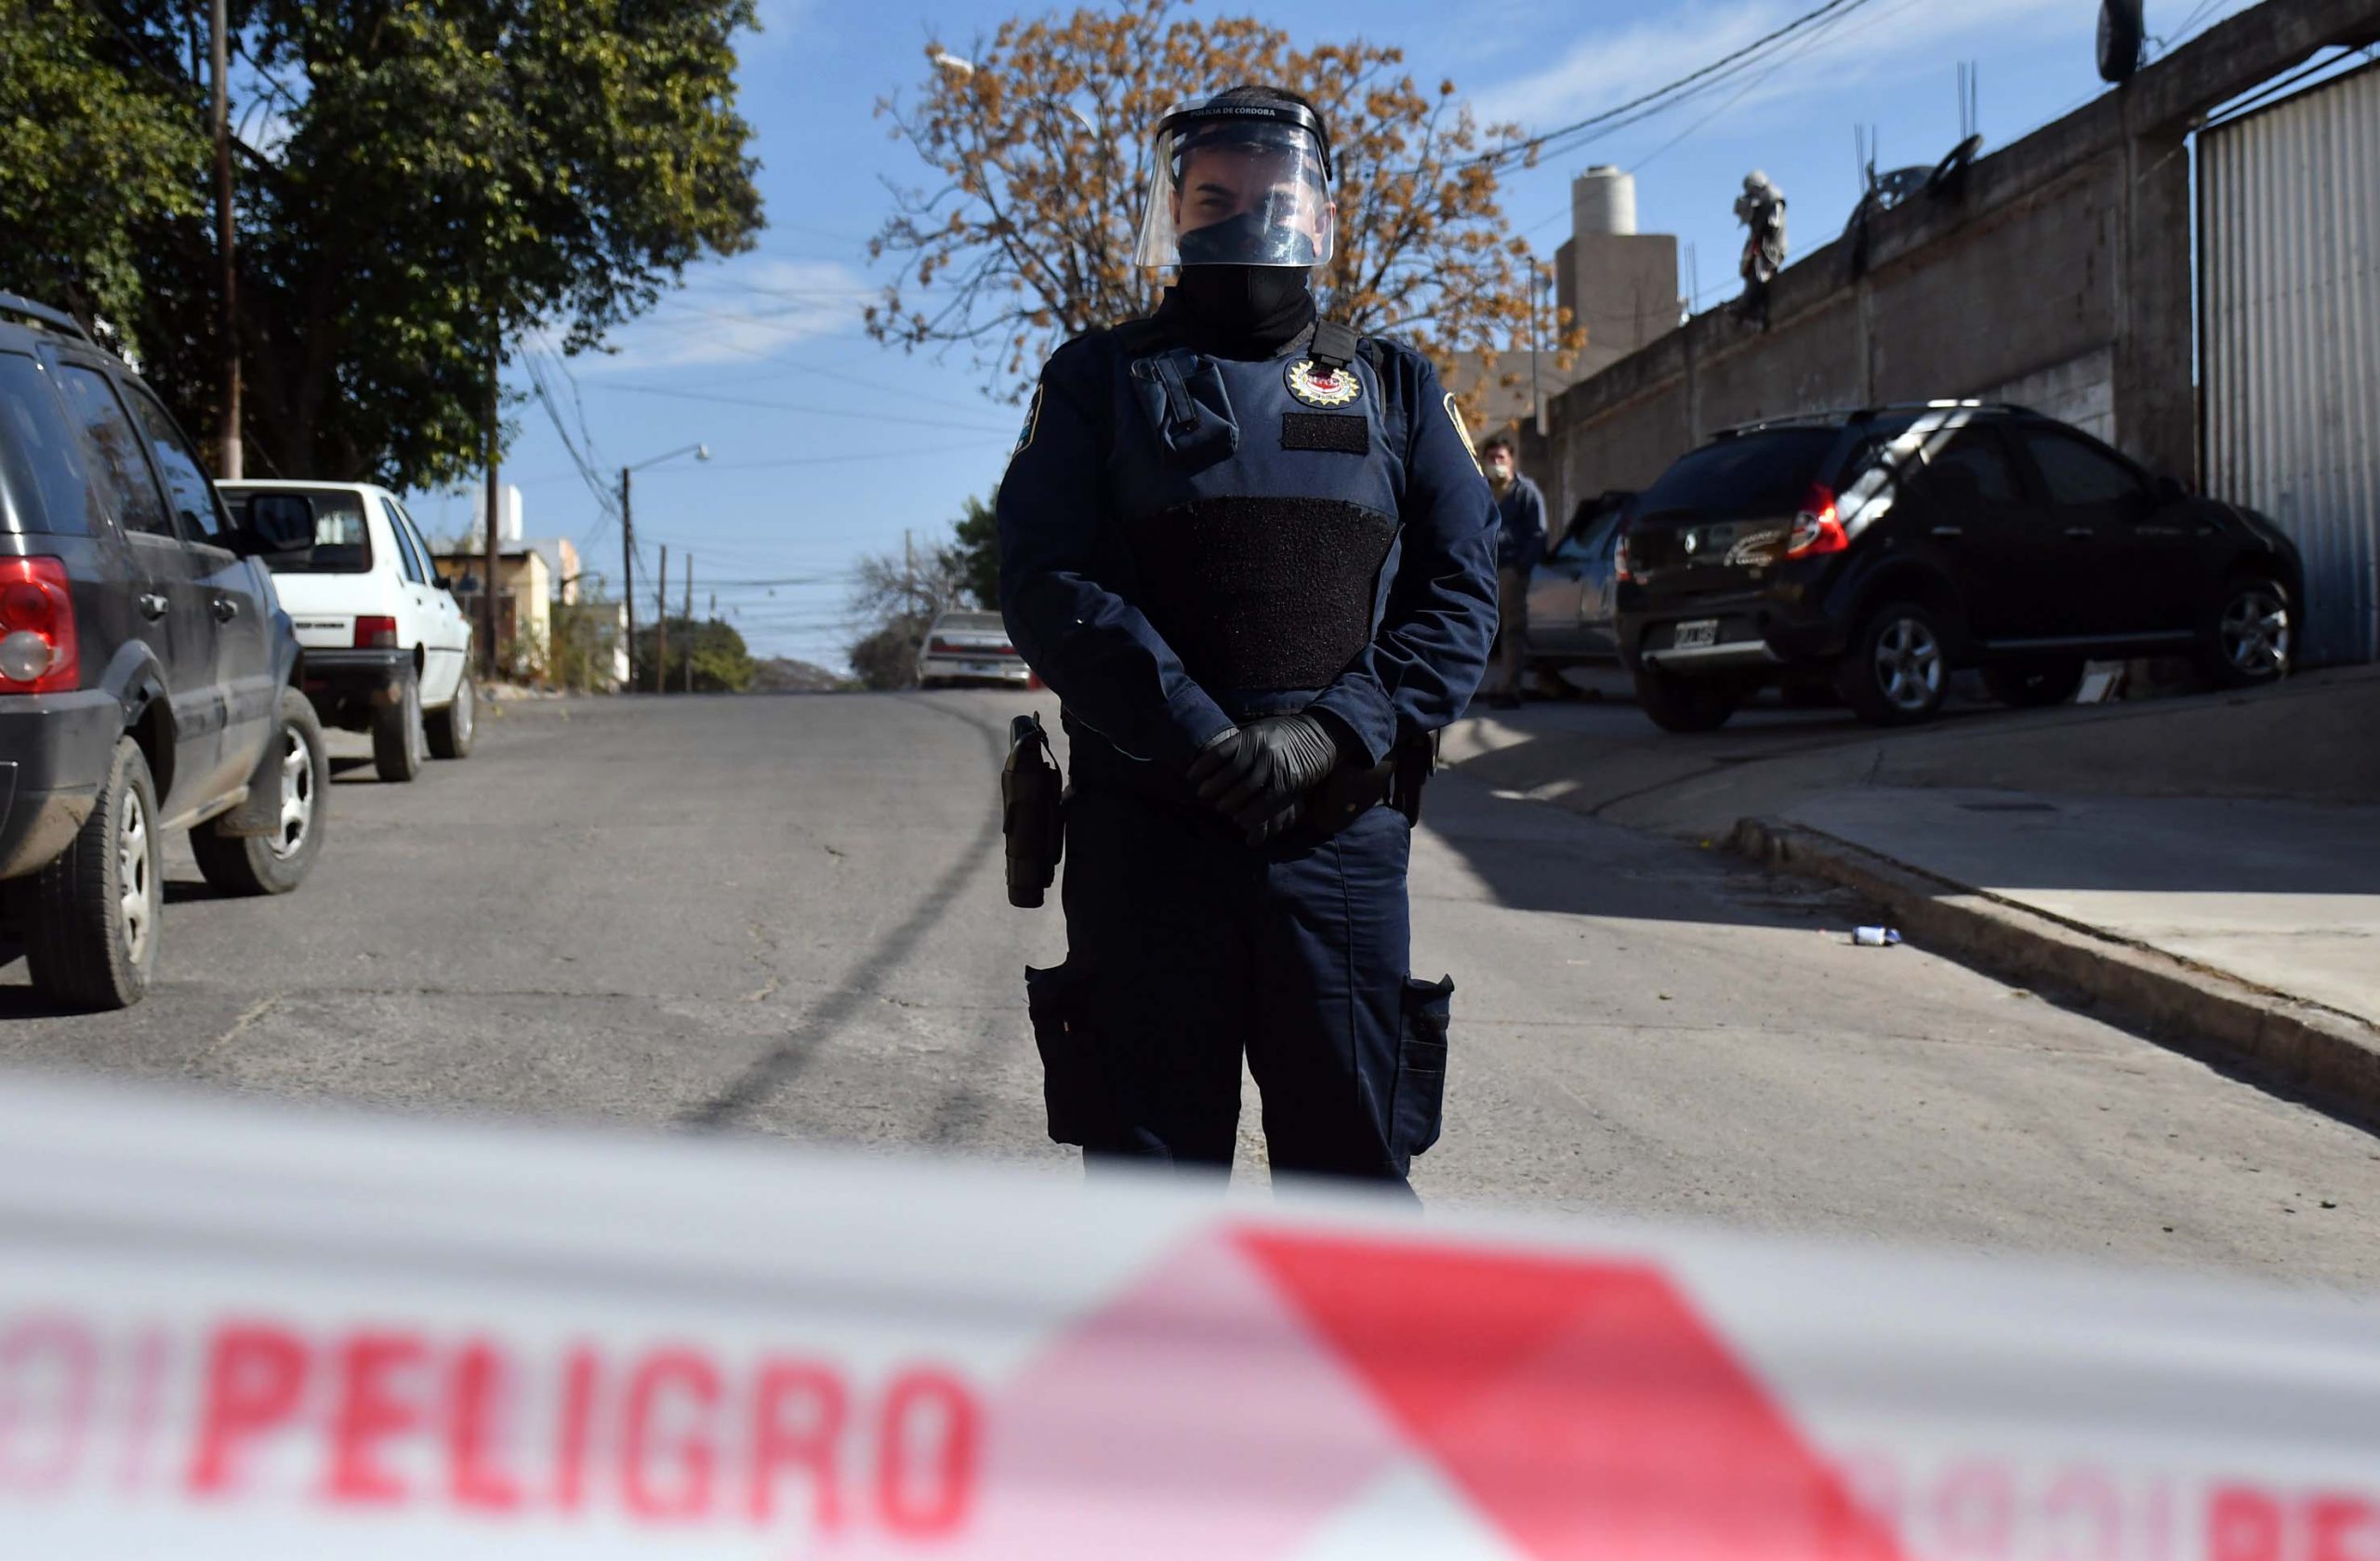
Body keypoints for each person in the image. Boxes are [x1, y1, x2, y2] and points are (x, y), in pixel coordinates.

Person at [997, 84, 1498, 1197]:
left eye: (1270, 197)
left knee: (1350, 1198)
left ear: (1319, 215)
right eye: (1213, 198)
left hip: (1336, 849)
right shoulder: (1096, 379)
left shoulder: (1396, 385)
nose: (1243, 220)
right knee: (1148, 1204)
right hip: (1149, 843)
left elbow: (1460, 595)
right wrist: (1198, 733)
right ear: (1174, 212)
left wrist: (1328, 734)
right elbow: (1045, 578)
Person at [1479, 430, 1547, 710]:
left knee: (1512, 630)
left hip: (1510, 569)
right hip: (1482, 569)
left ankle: (1510, 687)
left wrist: (1521, 567)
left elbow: (1538, 534)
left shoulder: (1525, 493)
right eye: (1491, 458)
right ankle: (1481, 687)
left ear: (1511, 460)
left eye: (1501, 458)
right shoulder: (1480, 491)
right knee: (1479, 629)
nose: (1496, 463)